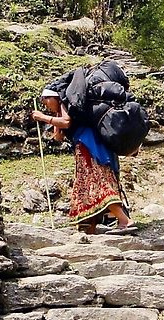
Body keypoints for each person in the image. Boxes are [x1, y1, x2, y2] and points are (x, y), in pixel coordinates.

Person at [31, 89, 136, 234]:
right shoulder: (63, 109)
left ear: (54, 97)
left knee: (98, 180)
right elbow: (58, 137)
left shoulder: (65, 102)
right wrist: (55, 120)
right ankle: (88, 228)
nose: (45, 105)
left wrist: (44, 117)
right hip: (84, 146)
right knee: (87, 184)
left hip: (89, 146)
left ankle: (124, 220)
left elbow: (66, 122)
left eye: (46, 100)